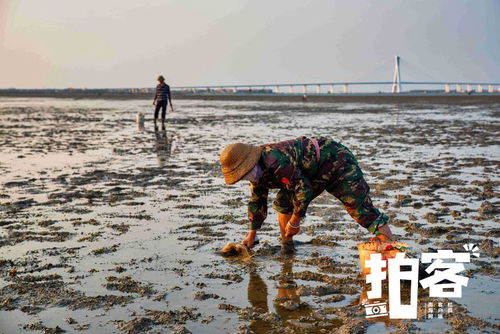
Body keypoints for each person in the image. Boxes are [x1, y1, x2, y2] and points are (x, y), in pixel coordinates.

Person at [219, 136, 394, 254]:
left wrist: (295, 221)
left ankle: (391, 247)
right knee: (283, 203)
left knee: (360, 209)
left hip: (335, 160)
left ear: (252, 162)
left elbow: (303, 190)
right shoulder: (256, 173)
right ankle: (287, 246)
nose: (246, 178)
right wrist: (252, 234)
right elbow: (257, 202)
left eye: (245, 173)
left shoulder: (275, 161)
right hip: (307, 172)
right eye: (242, 177)